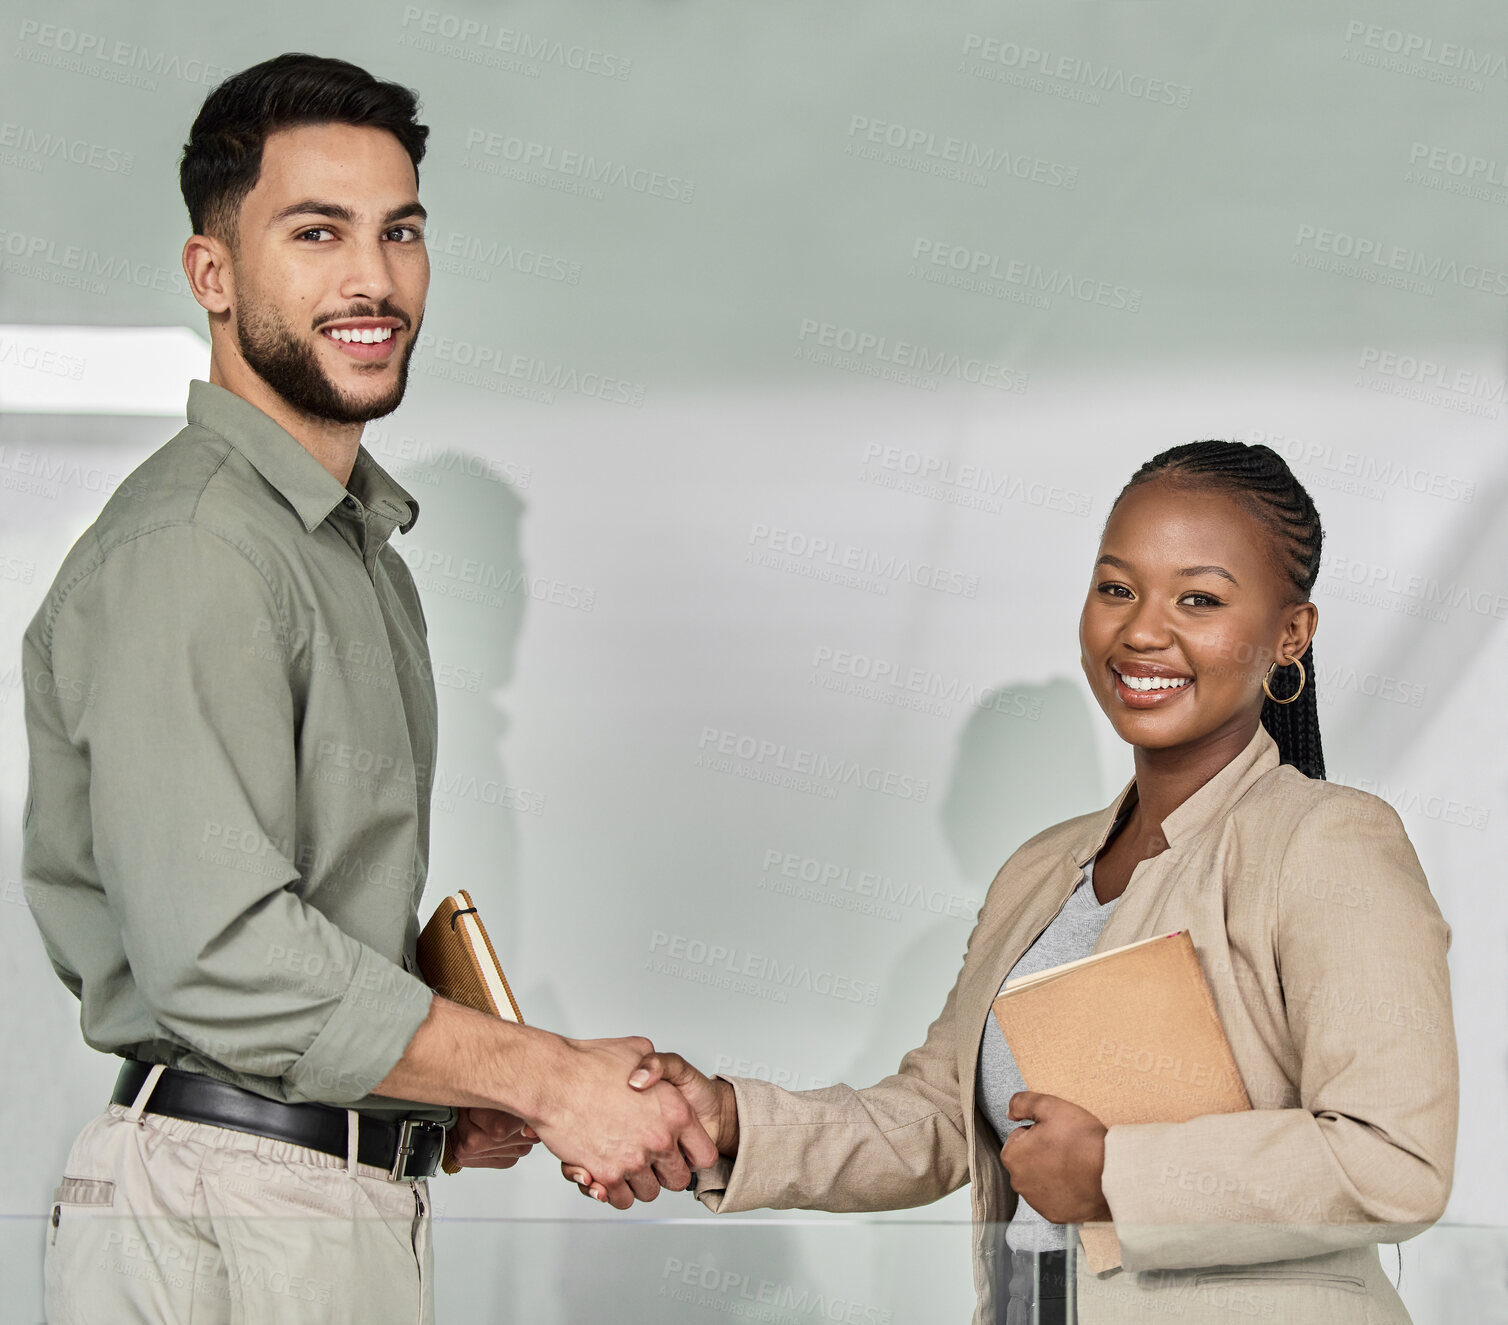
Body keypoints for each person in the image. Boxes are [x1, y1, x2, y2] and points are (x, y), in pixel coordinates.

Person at [22, 53, 714, 1325]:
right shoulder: (195, 551)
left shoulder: (346, 553)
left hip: (299, 1191)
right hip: (229, 1211)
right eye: (316, 231)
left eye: (399, 232)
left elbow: (301, 942)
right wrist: (548, 1075)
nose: (372, 280)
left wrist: (437, 1102)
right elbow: (222, 952)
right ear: (211, 276)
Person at [565, 441, 1459, 1324]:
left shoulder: (1331, 841)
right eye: (1117, 588)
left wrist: (1111, 1174)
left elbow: (1393, 1160)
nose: (1143, 628)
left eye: (1199, 598)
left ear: (1291, 632)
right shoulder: (1042, 869)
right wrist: (726, 1118)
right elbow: (937, 1121)